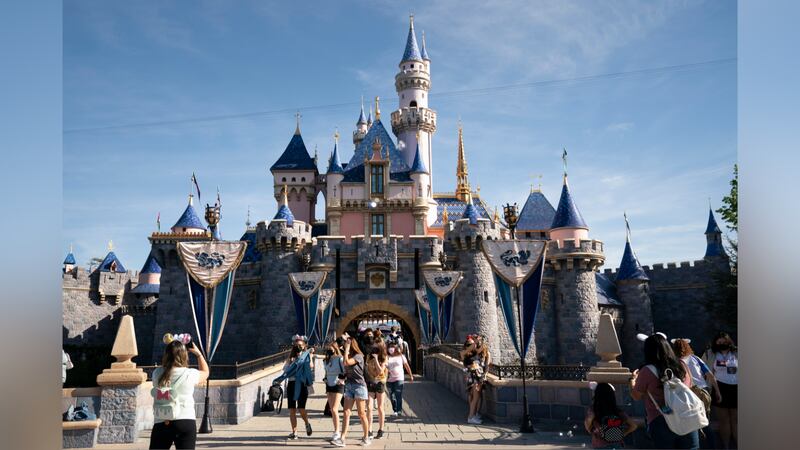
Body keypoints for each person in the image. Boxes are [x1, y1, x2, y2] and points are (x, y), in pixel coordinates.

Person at [630, 333, 699, 449]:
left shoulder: (647, 371)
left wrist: (632, 381)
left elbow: (636, 396)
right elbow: (689, 386)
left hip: (661, 419)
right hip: (687, 416)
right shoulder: (681, 365)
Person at [149, 339, 209, 450]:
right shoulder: (189, 374)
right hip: (185, 420)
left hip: (162, 420)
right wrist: (198, 354)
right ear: (184, 355)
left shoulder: (157, 373)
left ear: (166, 355)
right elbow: (206, 372)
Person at [672, 338, 720, 449]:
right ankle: (712, 446)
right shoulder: (695, 358)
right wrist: (717, 391)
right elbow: (710, 376)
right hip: (702, 392)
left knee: (691, 423)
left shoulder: (674, 362)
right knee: (705, 422)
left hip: (686, 394)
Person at [703, 332, 738, 449]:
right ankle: (726, 446)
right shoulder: (710, 354)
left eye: (724, 341)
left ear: (729, 342)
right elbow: (701, 368)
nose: (722, 344)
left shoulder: (736, 352)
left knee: (736, 421)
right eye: (719, 342)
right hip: (719, 388)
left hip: (736, 388)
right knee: (723, 421)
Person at [336, 333, 371, 447]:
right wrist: (342, 378)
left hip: (360, 386)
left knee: (361, 413)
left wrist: (346, 349)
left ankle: (366, 437)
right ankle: (342, 438)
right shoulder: (349, 355)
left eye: (347, 344)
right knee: (346, 412)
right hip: (350, 386)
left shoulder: (359, 356)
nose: (345, 345)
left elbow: (346, 362)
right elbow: (346, 368)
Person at [585, 382, 637, 449]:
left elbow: (588, 425)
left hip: (600, 446)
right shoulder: (617, 411)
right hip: (617, 446)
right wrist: (622, 434)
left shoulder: (594, 411)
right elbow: (634, 426)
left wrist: (591, 430)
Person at [281, 336, 314, 440]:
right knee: (292, 410)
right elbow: (285, 370)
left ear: (304, 346)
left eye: (300, 345)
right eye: (296, 345)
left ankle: (307, 423)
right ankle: (294, 432)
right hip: (292, 384)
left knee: (301, 408)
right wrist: (291, 362)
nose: (298, 347)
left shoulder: (307, 356)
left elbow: (311, 366)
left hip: (302, 384)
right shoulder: (291, 358)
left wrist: (305, 357)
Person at [324, 341, 346, 444]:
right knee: (332, 410)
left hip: (338, 385)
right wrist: (325, 378)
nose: (329, 349)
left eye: (331, 348)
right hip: (329, 384)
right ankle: (335, 430)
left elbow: (345, 371)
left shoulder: (340, 359)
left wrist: (342, 379)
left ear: (335, 348)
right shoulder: (326, 360)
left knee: (334, 408)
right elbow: (326, 372)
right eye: (327, 348)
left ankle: (338, 432)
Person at [365, 340, 388, 439]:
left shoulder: (384, 358)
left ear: (380, 349)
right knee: (369, 408)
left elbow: (380, 371)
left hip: (380, 383)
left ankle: (381, 429)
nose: (373, 350)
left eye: (376, 349)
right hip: (370, 383)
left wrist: (376, 360)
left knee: (380, 407)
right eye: (372, 348)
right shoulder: (368, 357)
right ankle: (369, 430)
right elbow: (367, 370)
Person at [460, 335, 484, 424]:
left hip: (477, 375)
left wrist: (481, 340)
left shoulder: (474, 353)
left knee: (476, 396)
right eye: (469, 344)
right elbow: (470, 348)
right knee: (473, 396)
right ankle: (470, 417)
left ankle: (473, 415)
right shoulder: (463, 353)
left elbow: (481, 349)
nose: (472, 345)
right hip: (471, 376)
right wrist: (473, 343)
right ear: (466, 345)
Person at [386, 340, 413, 417]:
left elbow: (406, 366)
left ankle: (399, 410)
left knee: (398, 394)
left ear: (396, 348)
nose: (391, 348)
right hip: (389, 379)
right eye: (389, 347)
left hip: (399, 378)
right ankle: (395, 410)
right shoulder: (387, 357)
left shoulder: (401, 356)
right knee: (391, 396)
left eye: (392, 347)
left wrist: (410, 375)